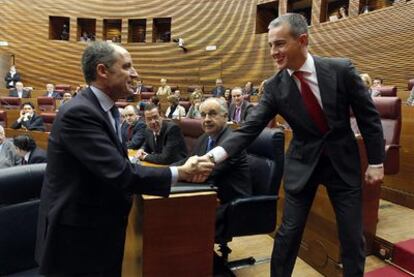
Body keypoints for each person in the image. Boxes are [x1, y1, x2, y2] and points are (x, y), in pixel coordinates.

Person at [203, 13, 384, 277]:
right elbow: (249, 129)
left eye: (279, 44)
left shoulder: (341, 70)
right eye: (270, 46)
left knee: (351, 236)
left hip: (342, 164)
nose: (273, 52)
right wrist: (212, 157)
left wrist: (377, 162)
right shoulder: (275, 86)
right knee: (287, 234)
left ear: (302, 40)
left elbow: (369, 118)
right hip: (302, 164)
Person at [35, 41, 213, 276]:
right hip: (78, 236)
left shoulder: (105, 109)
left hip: (99, 228)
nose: (135, 73)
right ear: (102, 71)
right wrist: (181, 172)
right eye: (127, 66)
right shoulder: (79, 113)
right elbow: (119, 172)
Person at [175, 97, 252, 236]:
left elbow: (204, 172)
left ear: (225, 116)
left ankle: (196, 256)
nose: (207, 119)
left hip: (231, 204)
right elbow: (187, 161)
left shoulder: (232, 142)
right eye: (203, 115)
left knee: (181, 219)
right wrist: (166, 171)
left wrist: (180, 173)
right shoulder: (205, 137)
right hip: (210, 194)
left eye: (212, 113)